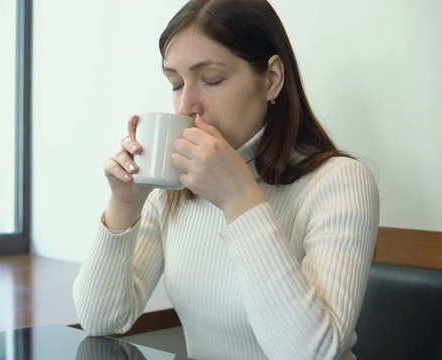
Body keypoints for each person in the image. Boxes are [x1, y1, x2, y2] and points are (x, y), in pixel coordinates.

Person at [73, 0, 380, 359]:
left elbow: (311, 353)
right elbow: (100, 320)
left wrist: (239, 199)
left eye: (212, 80)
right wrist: (124, 204)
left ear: (272, 79)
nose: (187, 105)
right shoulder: (174, 188)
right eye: (175, 83)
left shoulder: (339, 182)